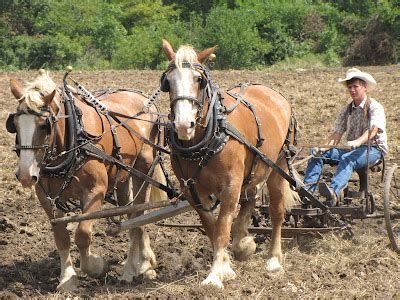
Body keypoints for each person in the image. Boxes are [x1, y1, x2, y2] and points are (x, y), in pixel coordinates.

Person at [303, 68, 388, 206]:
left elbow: (373, 130)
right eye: (350, 87)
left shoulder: (374, 107)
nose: (352, 90)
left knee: (347, 159)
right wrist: (322, 148)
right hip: (352, 149)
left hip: (373, 149)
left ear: (364, 87)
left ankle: (333, 192)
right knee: (315, 153)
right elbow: (336, 134)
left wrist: (358, 141)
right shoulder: (346, 110)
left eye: (356, 86)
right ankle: (308, 192)